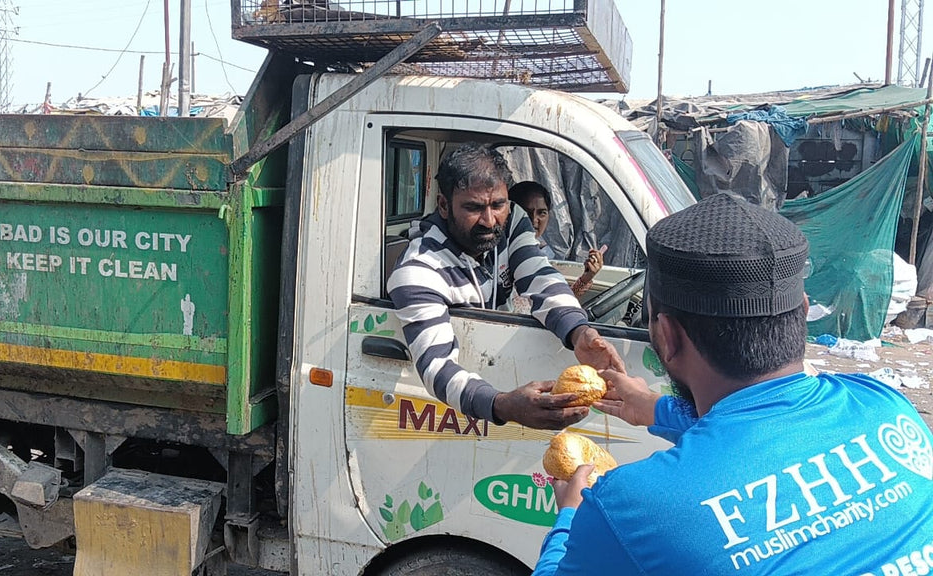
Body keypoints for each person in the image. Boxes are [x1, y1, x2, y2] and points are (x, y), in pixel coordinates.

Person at [533, 192, 933, 575]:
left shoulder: (629, 507)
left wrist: (570, 517)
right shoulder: (885, 406)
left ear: (667, 337)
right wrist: (656, 409)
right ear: (803, 311)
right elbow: (765, 435)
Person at [387, 143, 623, 430]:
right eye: (473, 208)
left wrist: (580, 332)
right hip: (452, 412)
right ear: (444, 206)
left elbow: (539, 276)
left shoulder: (512, 223)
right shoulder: (419, 270)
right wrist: (503, 406)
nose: (489, 221)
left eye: (498, 205)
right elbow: (437, 367)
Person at [508, 180, 607, 300]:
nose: (534, 220)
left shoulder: (543, 255)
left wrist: (586, 277)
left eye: (541, 213)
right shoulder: (498, 254)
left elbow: (556, 301)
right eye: (525, 213)